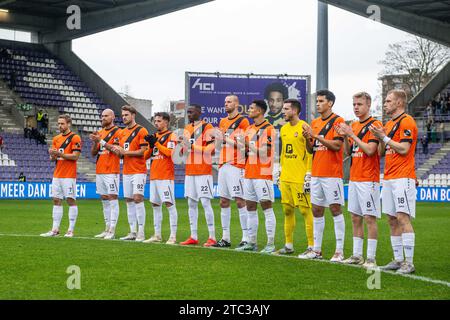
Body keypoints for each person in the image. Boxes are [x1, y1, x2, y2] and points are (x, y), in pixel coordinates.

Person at [369, 89, 418, 274]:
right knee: (391, 219)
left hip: (403, 177)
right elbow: (382, 152)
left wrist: (384, 137)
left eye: (389, 101)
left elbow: (405, 149)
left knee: (403, 217)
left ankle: (409, 262)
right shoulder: (388, 124)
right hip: (389, 176)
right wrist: (380, 137)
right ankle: (398, 260)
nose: (385, 104)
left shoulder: (407, 121)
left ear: (399, 103)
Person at [336, 92, 381, 269]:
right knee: (355, 217)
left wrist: (352, 135)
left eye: (360, 104)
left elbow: (370, 150)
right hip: (355, 177)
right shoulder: (353, 125)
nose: (356, 107)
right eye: (354, 104)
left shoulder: (374, 124)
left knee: (369, 218)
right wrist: (346, 136)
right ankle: (356, 255)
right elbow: (349, 152)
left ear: (368, 105)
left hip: (368, 178)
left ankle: (371, 258)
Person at [301, 89, 346, 262]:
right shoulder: (315, 122)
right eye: (317, 101)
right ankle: (317, 250)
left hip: (332, 174)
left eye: (321, 101)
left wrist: (316, 136)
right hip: (317, 173)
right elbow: (311, 149)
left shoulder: (338, 121)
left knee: (335, 209)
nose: (317, 104)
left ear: (330, 103)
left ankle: (339, 251)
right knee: (317, 210)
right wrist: (307, 138)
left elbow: (336, 146)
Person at [273, 99, 314, 256]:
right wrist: (279, 169)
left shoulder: (304, 127)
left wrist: (308, 173)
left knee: (305, 211)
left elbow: (310, 151)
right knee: (287, 211)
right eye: (283, 108)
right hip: (286, 177)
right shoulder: (283, 129)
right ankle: (288, 245)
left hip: (300, 177)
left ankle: (312, 246)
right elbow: (284, 152)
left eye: (286, 109)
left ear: (295, 111)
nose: (283, 111)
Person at [235, 100, 276, 253]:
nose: (249, 110)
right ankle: (252, 242)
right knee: (250, 207)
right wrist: (241, 145)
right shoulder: (250, 129)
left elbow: (264, 152)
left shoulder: (269, 129)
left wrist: (247, 144)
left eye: (251, 108)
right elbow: (245, 151)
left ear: (260, 111)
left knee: (266, 206)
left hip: (262, 174)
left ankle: (270, 243)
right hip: (249, 173)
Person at [213, 95, 250, 248]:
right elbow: (218, 145)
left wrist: (224, 138)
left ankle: (246, 237)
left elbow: (244, 145)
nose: (226, 104)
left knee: (240, 201)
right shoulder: (222, 121)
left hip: (237, 164)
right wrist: (217, 138)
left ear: (236, 104)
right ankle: (225, 238)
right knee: (223, 201)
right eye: (225, 101)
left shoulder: (243, 121)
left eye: (229, 101)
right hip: (223, 164)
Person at [177, 104, 217, 247]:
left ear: (199, 112)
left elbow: (210, 150)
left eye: (191, 112)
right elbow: (181, 152)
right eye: (187, 112)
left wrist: (190, 145)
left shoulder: (208, 128)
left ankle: (212, 237)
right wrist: (180, 146)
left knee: (205, 203)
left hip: (203, 171)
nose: (189, 114)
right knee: (191, 203)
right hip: (190, 171)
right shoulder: (187, 129)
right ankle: (193, 236)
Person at [111, 105, 149, 242]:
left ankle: (141, 232)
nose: (124, 117)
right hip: (126, 171)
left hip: (138, 171)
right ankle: (132, 232)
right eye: (123, 115)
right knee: (128, 200)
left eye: (126, 115)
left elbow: (143, 151)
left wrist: (125, 152)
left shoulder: (141, 130)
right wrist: (119, 153)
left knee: (138, 198)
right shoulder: (121, 133)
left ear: (133, 115)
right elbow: (122, 154)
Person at [40, 114, 81, 237]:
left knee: (70, 200)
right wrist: (52, 154)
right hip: (57, 174)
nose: (60, 126)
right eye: (58, 123)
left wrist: (59, 154)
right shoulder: (56, 138)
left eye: (62, 123)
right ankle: (55, 229)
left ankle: (70, 230)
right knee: (56, 200)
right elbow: (53, 159)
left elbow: (75, 156)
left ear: (69, 124)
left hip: (69, 175)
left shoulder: (75, 138)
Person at [142, 112, 179, 245]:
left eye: (159, 121)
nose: (156, 123)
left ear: (166, 122)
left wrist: (156, 143)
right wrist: (151, 146)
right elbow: (145, 157)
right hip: (154, 176)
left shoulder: (172, 136)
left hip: (165, 176)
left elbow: (171, 153)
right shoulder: (154, 137)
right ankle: (157, 235)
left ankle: (173, 236)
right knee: (155, 205)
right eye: (155, 121)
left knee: (169, 204)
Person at [89, 109, 122, 240]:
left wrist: (101, 141)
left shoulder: (118, 132)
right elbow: (93, 153)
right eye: (102, 116)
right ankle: (107, 228)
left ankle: (112, 231)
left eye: (106, 116)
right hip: (100, 169)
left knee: (113, 198)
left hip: (112, 170)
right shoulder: (100, 132)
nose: (103, 118)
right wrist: (96, 142)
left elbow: (117, 151)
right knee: (104, 199)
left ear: (113, 117)